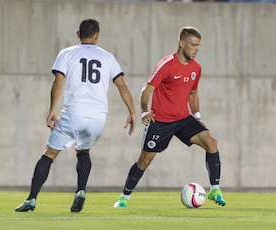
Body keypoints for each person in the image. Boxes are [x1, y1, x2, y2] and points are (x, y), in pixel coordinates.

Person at [15, 18, 136, 213]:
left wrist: (52, 111)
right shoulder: (108, 57)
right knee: (83, 152)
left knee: (50, 154)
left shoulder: (67, 54)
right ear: (97, 35)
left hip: (74, 112)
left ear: (78, 34)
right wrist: (132, 112)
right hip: (98, 116)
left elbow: (58, 82)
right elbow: (122, 86)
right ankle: (81, 191)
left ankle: (31, 199)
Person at [114, 26, 226, 208]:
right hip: (161, 121)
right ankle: (124, 197)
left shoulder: (196, 68)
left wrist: (197, 116)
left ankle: (215, 189)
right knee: (145, 160)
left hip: (183, 119)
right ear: (181, 43)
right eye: (193, 45)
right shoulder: (166, 64)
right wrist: (144, 110)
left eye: (198, 46)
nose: (196, 49)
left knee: (211, 143)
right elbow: (146, 90)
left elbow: (193, 93)